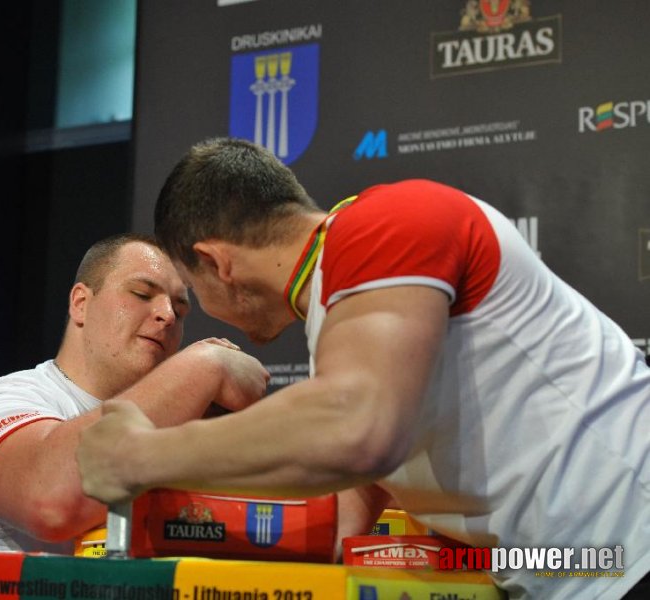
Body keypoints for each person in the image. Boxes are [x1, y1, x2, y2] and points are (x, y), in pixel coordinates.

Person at [77, 138, 650, 599]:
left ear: (214, 262)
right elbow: (351, 499)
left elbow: (354, 430)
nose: (191, 310)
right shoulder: (344, 315)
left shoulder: (389, 223)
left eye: (189, 289)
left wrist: (138, 456)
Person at [0, 232, 269, 552]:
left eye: (179, 310)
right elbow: (50, 503)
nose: (167, 315)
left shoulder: (183, 427)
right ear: (80, 303)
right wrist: (205, 364)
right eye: (141, 294)